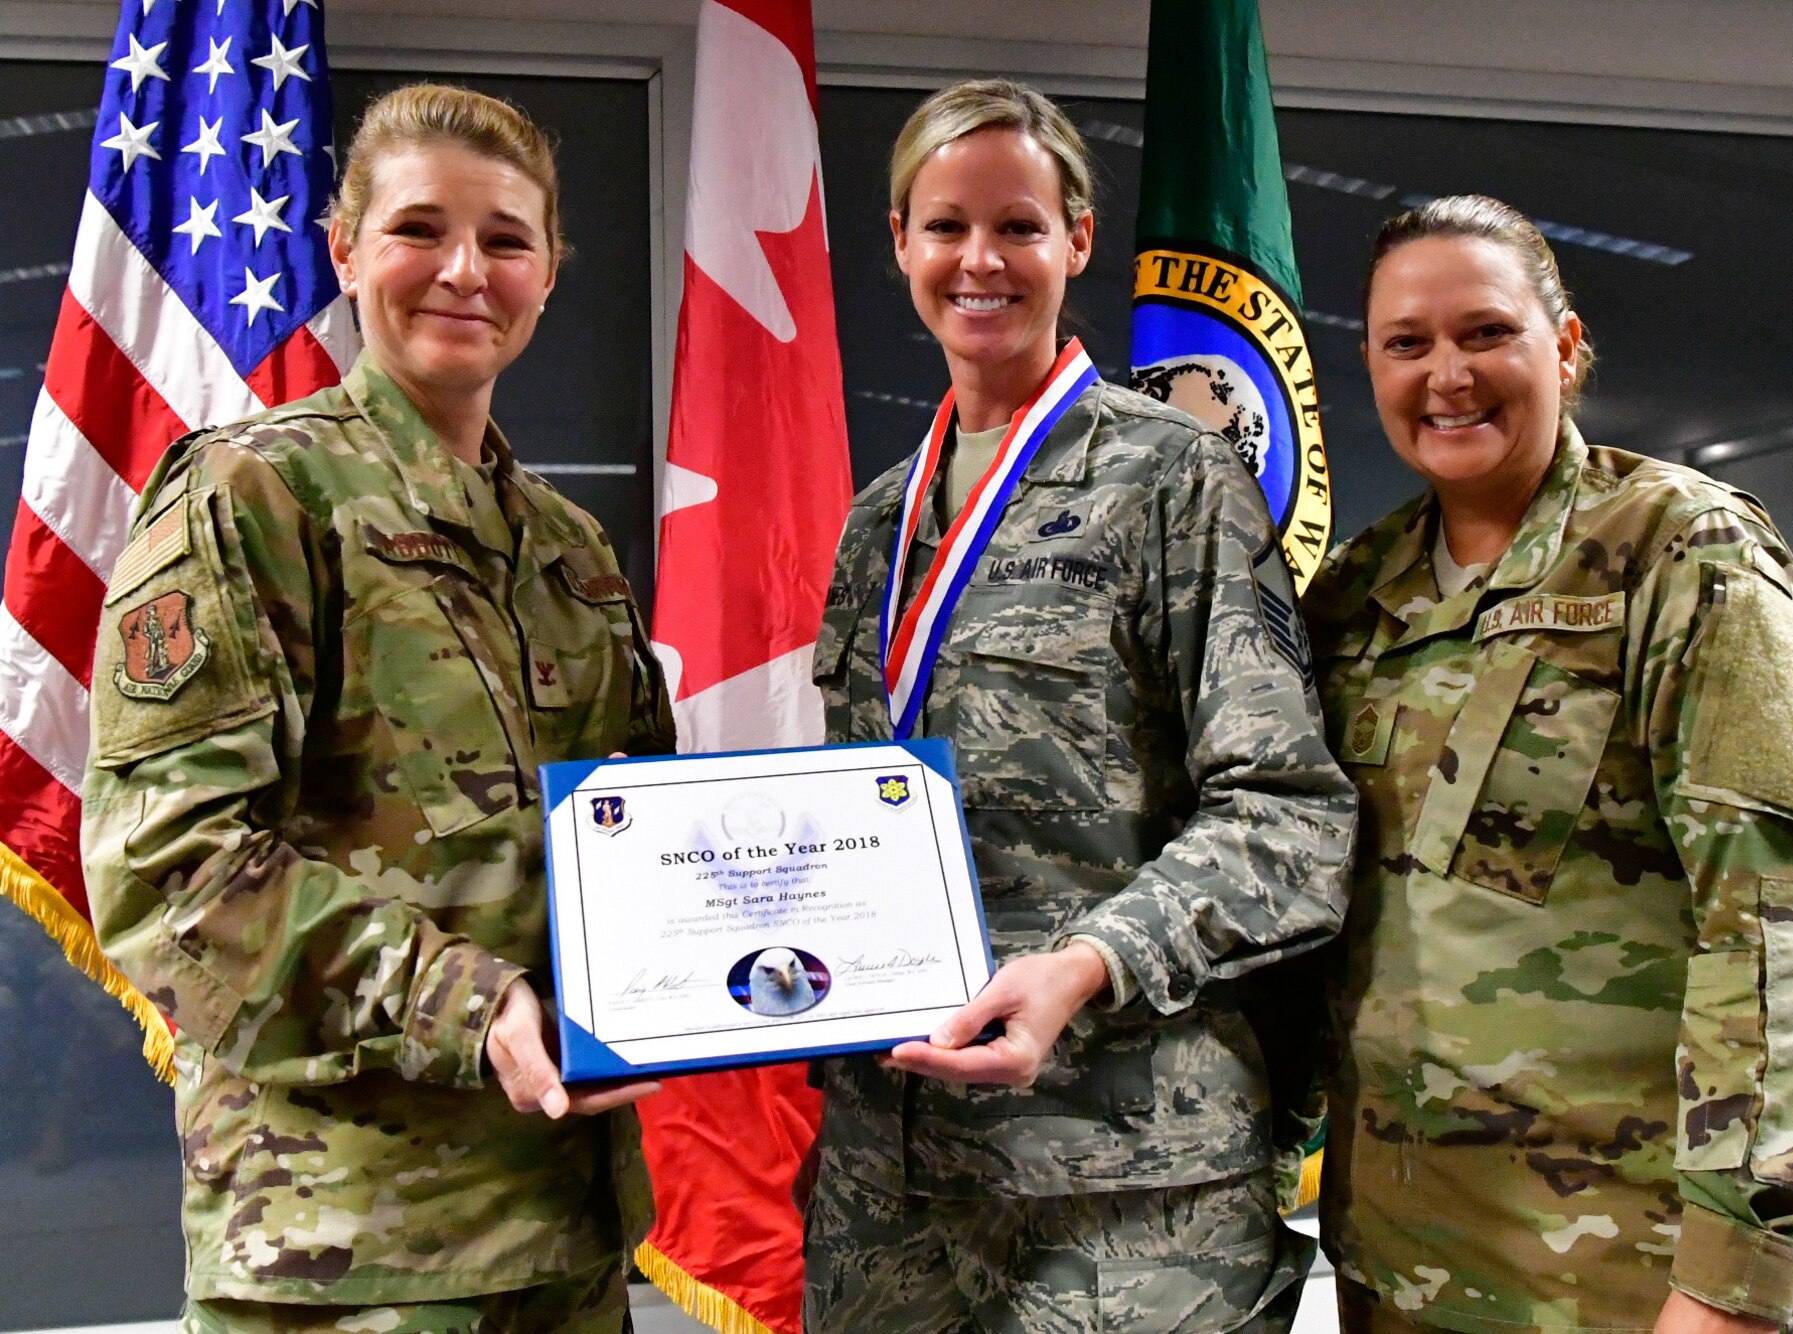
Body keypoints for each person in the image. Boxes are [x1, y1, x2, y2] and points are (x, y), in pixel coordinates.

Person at [81, 84, 672, 1333]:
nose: (465, 270)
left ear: (551, 273)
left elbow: (637, 840)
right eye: (419, 230)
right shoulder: (252, 497)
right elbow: (168, 871)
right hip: (345, 1259)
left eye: (507, 240)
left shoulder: (569, 548)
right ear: (343, 249)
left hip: (562, 1237)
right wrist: (473, 1002)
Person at [803, 78, 1356, 1333]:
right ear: (898, 244)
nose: (978, 260)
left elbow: (1289, 819)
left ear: (1077, 241)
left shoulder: (1174, 477)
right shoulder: (877, 517)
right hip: (889, 1188)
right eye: (943, 227)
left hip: (1123, 1188)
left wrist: (1088, 964)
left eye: (1018, 225)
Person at [1301, 195, 1793, 1334]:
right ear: (1369, 364)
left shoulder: (1683, 553)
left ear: (1561, 343)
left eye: (1484, 332)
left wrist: (1729, 1284)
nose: (1444, 374)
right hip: (1395, 1272)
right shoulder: (1355, 593)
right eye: (1407, 343)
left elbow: (1772, 929)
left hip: (1622, 1280)